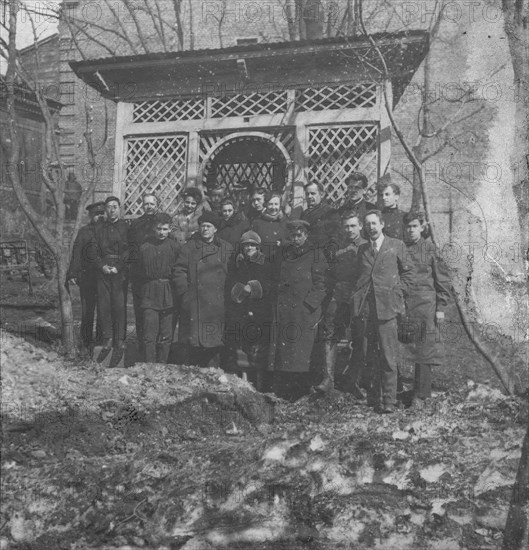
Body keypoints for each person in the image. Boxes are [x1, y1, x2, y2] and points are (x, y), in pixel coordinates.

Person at [350, 210, 415, 413]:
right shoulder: (362, 250)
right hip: (367, 310)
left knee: (388, 357)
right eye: (367, 224)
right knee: (369, 355)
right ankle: (373, 398)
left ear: (382, 224)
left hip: (388, 309)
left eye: (374, 223)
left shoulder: (396, 245)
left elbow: (409, 273)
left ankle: (389, 401)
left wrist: (397, 292)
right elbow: (359, 277)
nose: (371, 227)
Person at [269, 219, 327, 401]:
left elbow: (322, 284)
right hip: (286, 311)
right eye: (293, 235)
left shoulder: (315, 254)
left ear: (306, 235)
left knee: (301, 354)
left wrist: (309, 305)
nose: (296, 239)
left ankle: (301, 391)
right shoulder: (285, 254)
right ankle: (285, 392)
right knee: (286, 354)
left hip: (304, 312)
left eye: (299, 235)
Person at [403, 210, 451, 409]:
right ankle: (402, 388)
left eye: (415, 226)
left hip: (425, 306)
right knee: (405, 348)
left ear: (422, 228)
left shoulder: (431, 249)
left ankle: (421, 395)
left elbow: (443, 282)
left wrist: (440, 308)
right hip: (405, 305)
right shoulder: (401, 248)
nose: (411, 230)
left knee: (424, 349)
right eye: (408, 227)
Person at [315, 210, 367, 395]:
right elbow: (329, 272)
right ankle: (328, 379)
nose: (350, 229)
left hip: (360, 297)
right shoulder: (337, 247)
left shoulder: (367, 247)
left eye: (353, 225)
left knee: (361, 338)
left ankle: (354, 380)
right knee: (330, 332)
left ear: (360, 226)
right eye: (346, 226)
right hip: (339, 295)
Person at [173, 211, 234, 368]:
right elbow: (179, 271)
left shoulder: (225, 248)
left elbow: (233, 273)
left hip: (216, 305)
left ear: (215, 229)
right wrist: (185, 295)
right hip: (195, 304)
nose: (205, 229)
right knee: (194, 345)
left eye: (209, 226)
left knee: (213, 345)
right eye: (202, 226)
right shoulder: (189, 248)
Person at [226, 230, 275, 391]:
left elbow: (269, 284)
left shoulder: (265, 263)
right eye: (246, 245)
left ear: (258, 246)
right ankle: (245, 383)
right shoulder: (237, 263)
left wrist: (253, 287)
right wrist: (237, 290)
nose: (249, 248)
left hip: (259, 311)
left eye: (252, 245)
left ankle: (260, 385)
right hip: (241, 310)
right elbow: (231, 281)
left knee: (258, 349)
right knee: (241, 347)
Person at [138, 212, 181, 364]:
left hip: (169, 293)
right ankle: (150, 366)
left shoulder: (175, 247)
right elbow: (138, 271)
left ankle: (162, 366)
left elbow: (179, 270)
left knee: (166, 335)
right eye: (159, 229)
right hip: (149, 293)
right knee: (149, 334)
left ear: (170, 230)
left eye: (165, 229)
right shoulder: (144, 247)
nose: (162, 232)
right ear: (153, 229)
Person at [92, 196, 130, 366]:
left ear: (119, 208)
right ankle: (107, 338)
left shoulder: (125, 227)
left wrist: (119, 267)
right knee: (104, 305)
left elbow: (129, 250)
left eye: (115, 206)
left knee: (119, 306)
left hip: (119, 271)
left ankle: (120, 340)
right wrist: (102, 267)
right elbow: (93, 251)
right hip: (104, 270)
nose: (112, 210)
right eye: (108, 207)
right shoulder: (99, 228)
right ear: (105, 210)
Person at [66, 201, 105, 351]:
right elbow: (77, 253)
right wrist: (73, 272)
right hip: (88, 278)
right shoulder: (84, 232)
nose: (100, 217)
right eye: (96, 214)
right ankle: (86, 342)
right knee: (87, 311)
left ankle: (101, 342)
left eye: (102, 213)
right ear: (90, 215)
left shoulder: (109, 230)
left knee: (103, 311)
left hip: (104, 279)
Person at [128, 193, 159, 350]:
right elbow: (131, 248)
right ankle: (141, 343)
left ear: (156, 205)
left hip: (156, 275)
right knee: (140, 309)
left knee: (155, 310)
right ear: (142, 205)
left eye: (152, 204)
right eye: (146, 204)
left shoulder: (161, 224)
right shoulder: (136, 224)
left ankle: (155, 344)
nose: (149, 207)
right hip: (139, 274)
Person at [250, 192, 289, 261]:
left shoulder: (285, 222)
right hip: (262, 261)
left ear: (280, 205)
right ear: (266, 205)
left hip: (280, 260)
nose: (273, 207)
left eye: (276, 204)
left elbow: (291, 241)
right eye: (270, 204)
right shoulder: (257, 222)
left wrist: (283, 243)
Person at [377, 175, 405, 239]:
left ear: (396, 196)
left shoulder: (403, 217)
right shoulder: (377, 216)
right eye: (381, 195)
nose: (384, 198)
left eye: (387, 194)